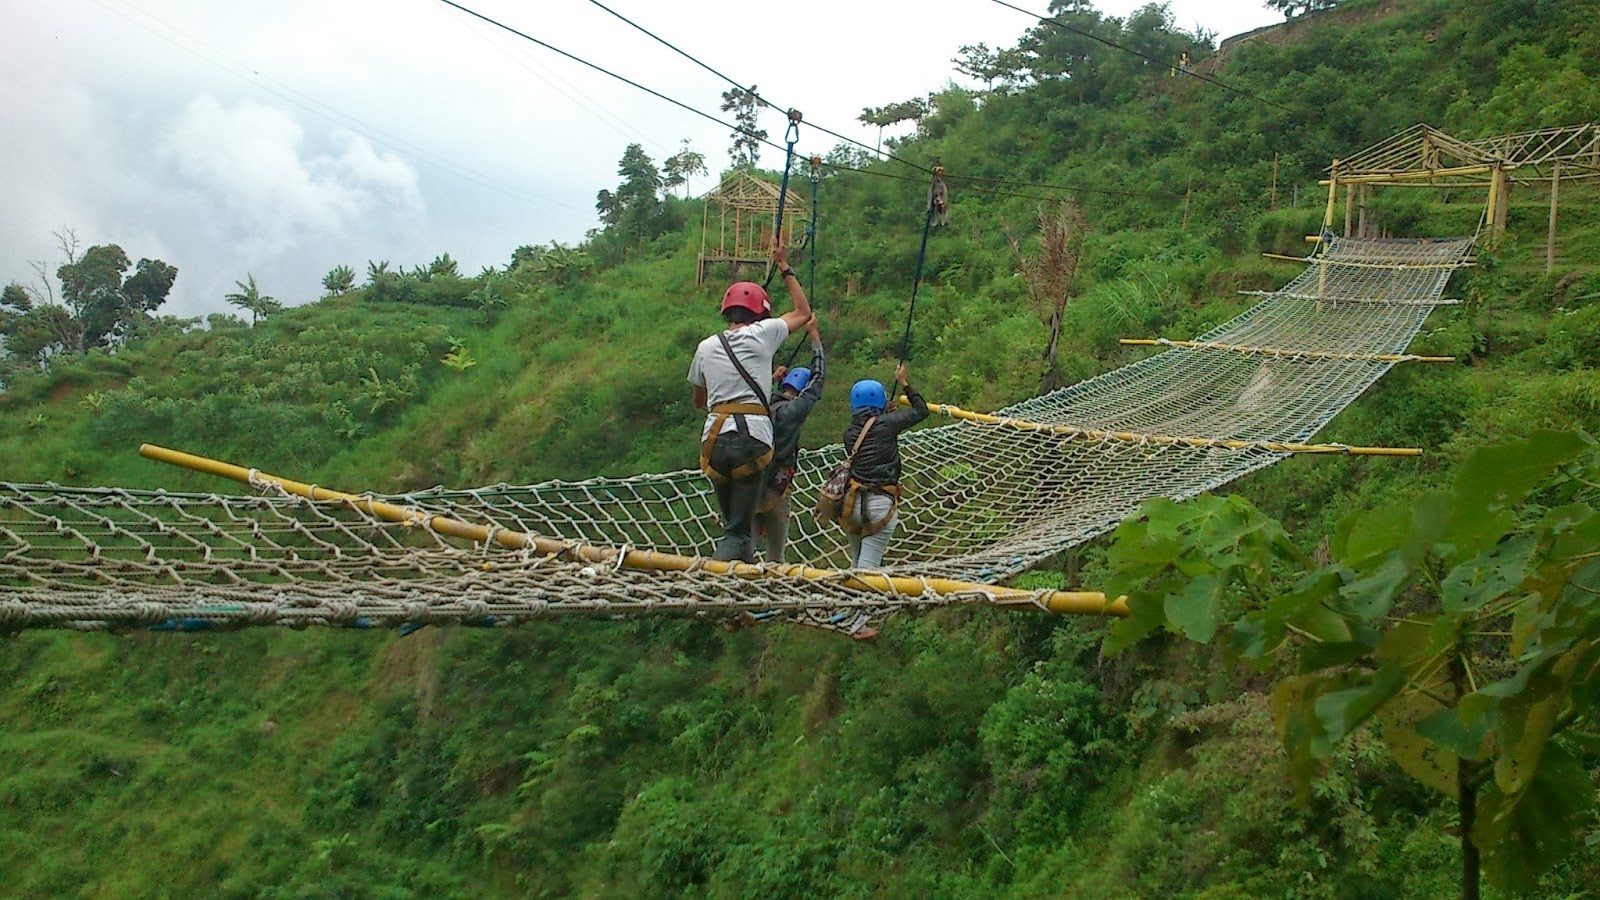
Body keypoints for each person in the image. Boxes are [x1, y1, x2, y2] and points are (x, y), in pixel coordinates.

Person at [688, 246, 813, 562]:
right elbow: (803, 312)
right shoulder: (764, 333)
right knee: (738, 533)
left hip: (713, 442)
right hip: (751, 441)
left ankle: (735, 596)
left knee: (736, 528)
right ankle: (709, 586)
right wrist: (784, 265)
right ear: (761, 313)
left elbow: (699, 400)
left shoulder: (705, 347)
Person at [841, 362, 929, 569]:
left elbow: (872, 429)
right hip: (880, 502)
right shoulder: (888, 424)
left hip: (851, 503)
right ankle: (861, 600)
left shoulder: (849, 433)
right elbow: (921, 410)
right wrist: (904, 383)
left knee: (857, 561)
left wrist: (885, 415)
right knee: (868, 569)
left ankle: (855, 598)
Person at [756, 315, 826, 564]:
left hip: (749, 483)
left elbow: (753, 386)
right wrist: (815, 339)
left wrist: (771, 378)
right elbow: (817, 381)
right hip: (777, 489)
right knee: (776, 556)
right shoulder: (794, 411)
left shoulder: (762, 401)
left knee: (743, 549)